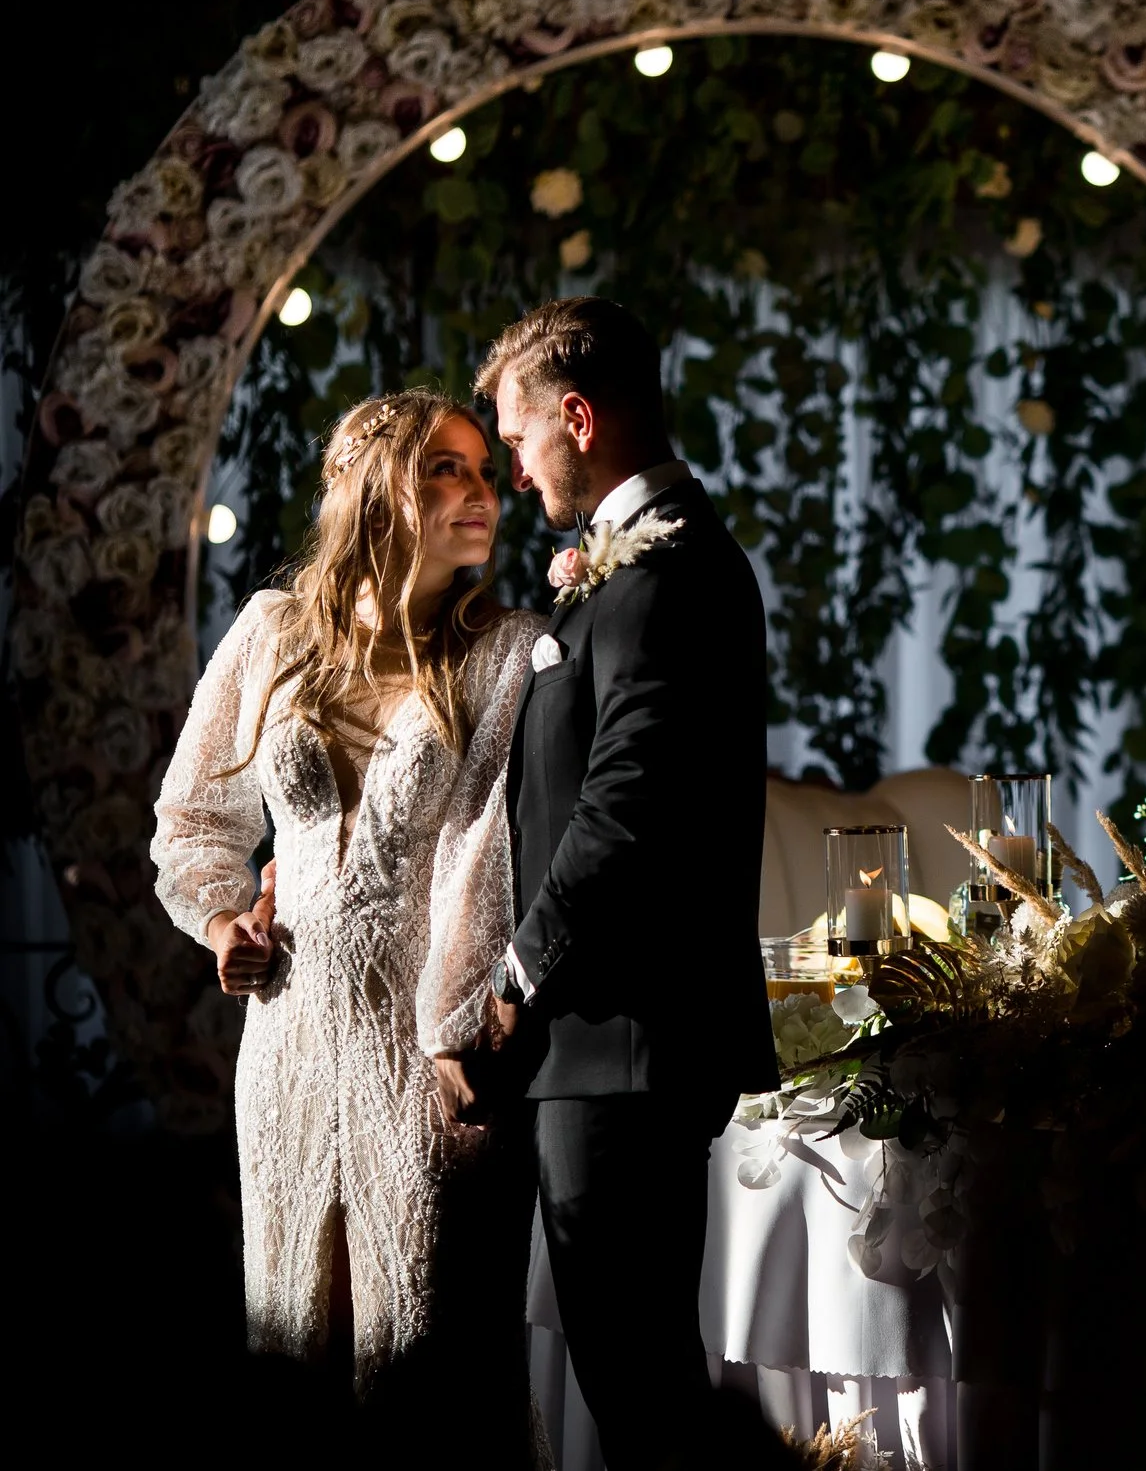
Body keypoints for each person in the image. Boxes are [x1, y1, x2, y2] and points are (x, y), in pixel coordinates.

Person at [150, 389, 543, 1461]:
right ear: (376, 491)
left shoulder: (507, 650)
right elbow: (193, 813)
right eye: (445, 471)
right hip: (285, 1041)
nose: (481, 492)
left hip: (424, 1048)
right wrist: (226, 913)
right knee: (288, 1350)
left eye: (482, 468)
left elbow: (487, 856)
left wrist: (462, 1025)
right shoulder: (273, 630)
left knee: (421, 1356)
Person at [478, 297, 776, 1470]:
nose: (511, 469)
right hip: (616, 1046)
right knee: (637, 1379)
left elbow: (623, 807)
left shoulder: (670, 573)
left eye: (515, 439)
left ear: (578, 415)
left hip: (628, 1042)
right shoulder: (635, 569)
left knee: (642, 1389)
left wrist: (517, 971)